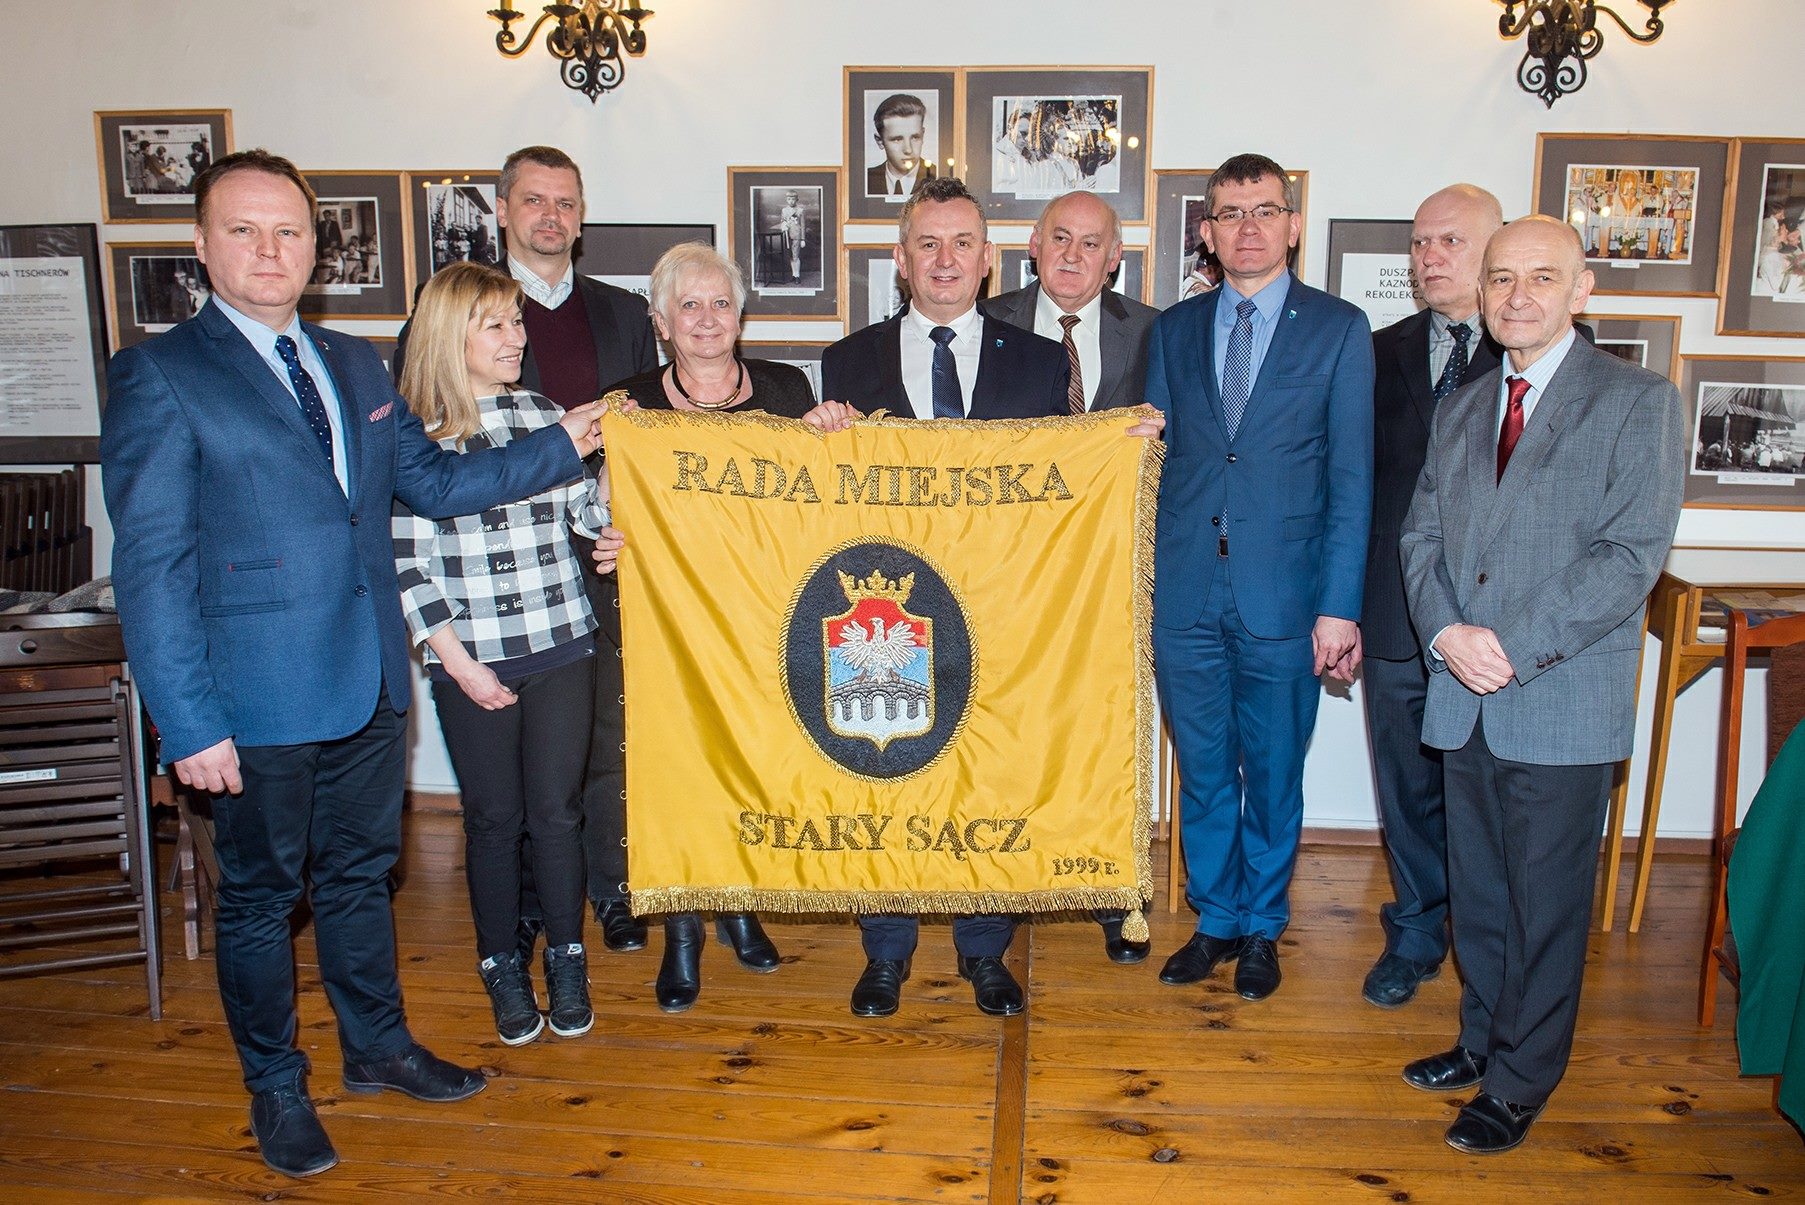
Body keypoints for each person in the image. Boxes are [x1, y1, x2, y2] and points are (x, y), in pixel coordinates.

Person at [100, 149, 606, 1179]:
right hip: (253, 696)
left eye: (288, 230)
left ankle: (377, 1046)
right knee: (259, 899)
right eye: (244, 230)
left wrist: (564, 440)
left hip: (370, 681)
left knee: (360, 877)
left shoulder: (354, 362)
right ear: (201, 246)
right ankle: (276, 1085)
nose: (270, 250)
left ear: (314, 247)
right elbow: (150, 566)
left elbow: (437, 486)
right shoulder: (163, 373)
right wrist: (187, 720)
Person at [1398, 215, 1683, 1155]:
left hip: (1557, 697)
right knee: (1479, 892)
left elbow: (1628, 555)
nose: (1516, 296)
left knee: (1545, 906)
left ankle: (1521, 1080)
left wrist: (1507, 647)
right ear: (1480, 293)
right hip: (1462, 694)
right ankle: (1481, 1038)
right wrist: (1445, 633)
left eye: (1541, 276)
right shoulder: (1462, 406)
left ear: (1581, 288)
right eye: (1500, 278)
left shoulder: (1636, 401)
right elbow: (1421, 537)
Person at [398, 146, 660, 957]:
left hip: (582, 572)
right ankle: (513, 921)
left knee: (592, 756)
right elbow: (423, 485)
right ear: (503, 210)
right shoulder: (449, 307)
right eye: (535, 200)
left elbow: (634, 436)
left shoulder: (620, 312)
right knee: (499, 796)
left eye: (567, 202)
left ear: (582, 218)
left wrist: (613, 498)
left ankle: (600, 896)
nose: (552, 216)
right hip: (481, 592)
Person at [823, 176, 1069, 1019]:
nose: (944, 259)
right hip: (883, 607)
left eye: (961, 243)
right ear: (900, 259)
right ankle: (885, 949)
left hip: (1001, 604)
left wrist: (1125, 446)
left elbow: (1068, 480)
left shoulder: (1040, 361)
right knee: (880, 765)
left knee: (988, 769)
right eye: (926, 243)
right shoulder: (846, 362)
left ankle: (983, 947)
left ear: (987, 259)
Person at [1148, 153, 1373, 1004]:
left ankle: (1262, 926)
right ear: (1206, 232)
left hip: (1286, 598)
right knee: (1204, 771)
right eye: (1230, 213)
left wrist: (1338, 607)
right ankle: (1215, 917)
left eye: (1264, 211)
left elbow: (1351, 478)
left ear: (1291, 225)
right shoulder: (1173, 329)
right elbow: (1155, 466)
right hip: (1185, 596)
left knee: (1273, 773)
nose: (1247, 228)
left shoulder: (1338, 328)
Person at [393, 262, 608, 1048]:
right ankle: (500, 964)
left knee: (557, 814)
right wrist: (457, 663)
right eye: (496, 324)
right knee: (492, 820)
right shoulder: (417, 434)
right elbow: (405, 564)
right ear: (452, 334)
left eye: (517, 321)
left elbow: (583, 514)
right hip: (472, 658)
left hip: (563, 642)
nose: (517, 336)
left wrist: (611, 503)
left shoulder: (543, 413)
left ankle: (567, 957)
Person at [602, 242, 822, 1011]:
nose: (705, 318)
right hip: (670, 620)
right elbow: (593, 502)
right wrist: (602, 534)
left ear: (740, 316)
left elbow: (824, 491)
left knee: (747, 762)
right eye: (687, 305)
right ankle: (681, 929)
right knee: (678, 771)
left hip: (763, 615)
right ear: (661, 322)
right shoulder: (627, 403)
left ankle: (738, 903)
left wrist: (835, 432)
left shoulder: (788, 389)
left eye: (719, 303)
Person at [981, 189, 1161, 965]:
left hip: (1103, 570)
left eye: (1091, 243)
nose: (1072, 255)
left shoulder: (1153, 331)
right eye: (1059, 237)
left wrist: (1163, 430)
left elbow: (1184, 431)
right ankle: (1002, 883)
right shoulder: (986, 322)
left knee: (1101, 729)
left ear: (1114, 257)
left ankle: (1107, 884)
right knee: (1001, 725)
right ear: (1033, 244)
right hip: (1002, 570)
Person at [1358, 184, 1506, 1009]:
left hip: (1496, 622)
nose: (1428, 256)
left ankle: (1487, 947)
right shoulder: (1375, 351)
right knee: (1408, 788)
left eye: (1448, 240)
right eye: (1418, 243)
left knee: (1483, 793)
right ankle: (1415, 931)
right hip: (1393, 611)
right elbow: (1351, 483)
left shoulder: (1537, 349)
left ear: (1494, 248)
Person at [867, 92, 936, 199]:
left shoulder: (937, 177)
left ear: (923, 135)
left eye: (915, 137)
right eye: (897, 139)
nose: (908, 150)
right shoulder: (868, 179)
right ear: (880, 141)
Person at [780, 190, 806, 282]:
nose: (791, 201)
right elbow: (782, 220)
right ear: (786, 200)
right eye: (789, 199)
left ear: (797, 199)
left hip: (797, 236)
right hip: (787, 236)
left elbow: (803, 225)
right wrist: (784, 225)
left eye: (793, 199)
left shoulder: (800, 210)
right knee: (790, 256)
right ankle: (794, 275)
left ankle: (797, 276)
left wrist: (803, 239)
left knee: (796, 256)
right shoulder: (784, 210)